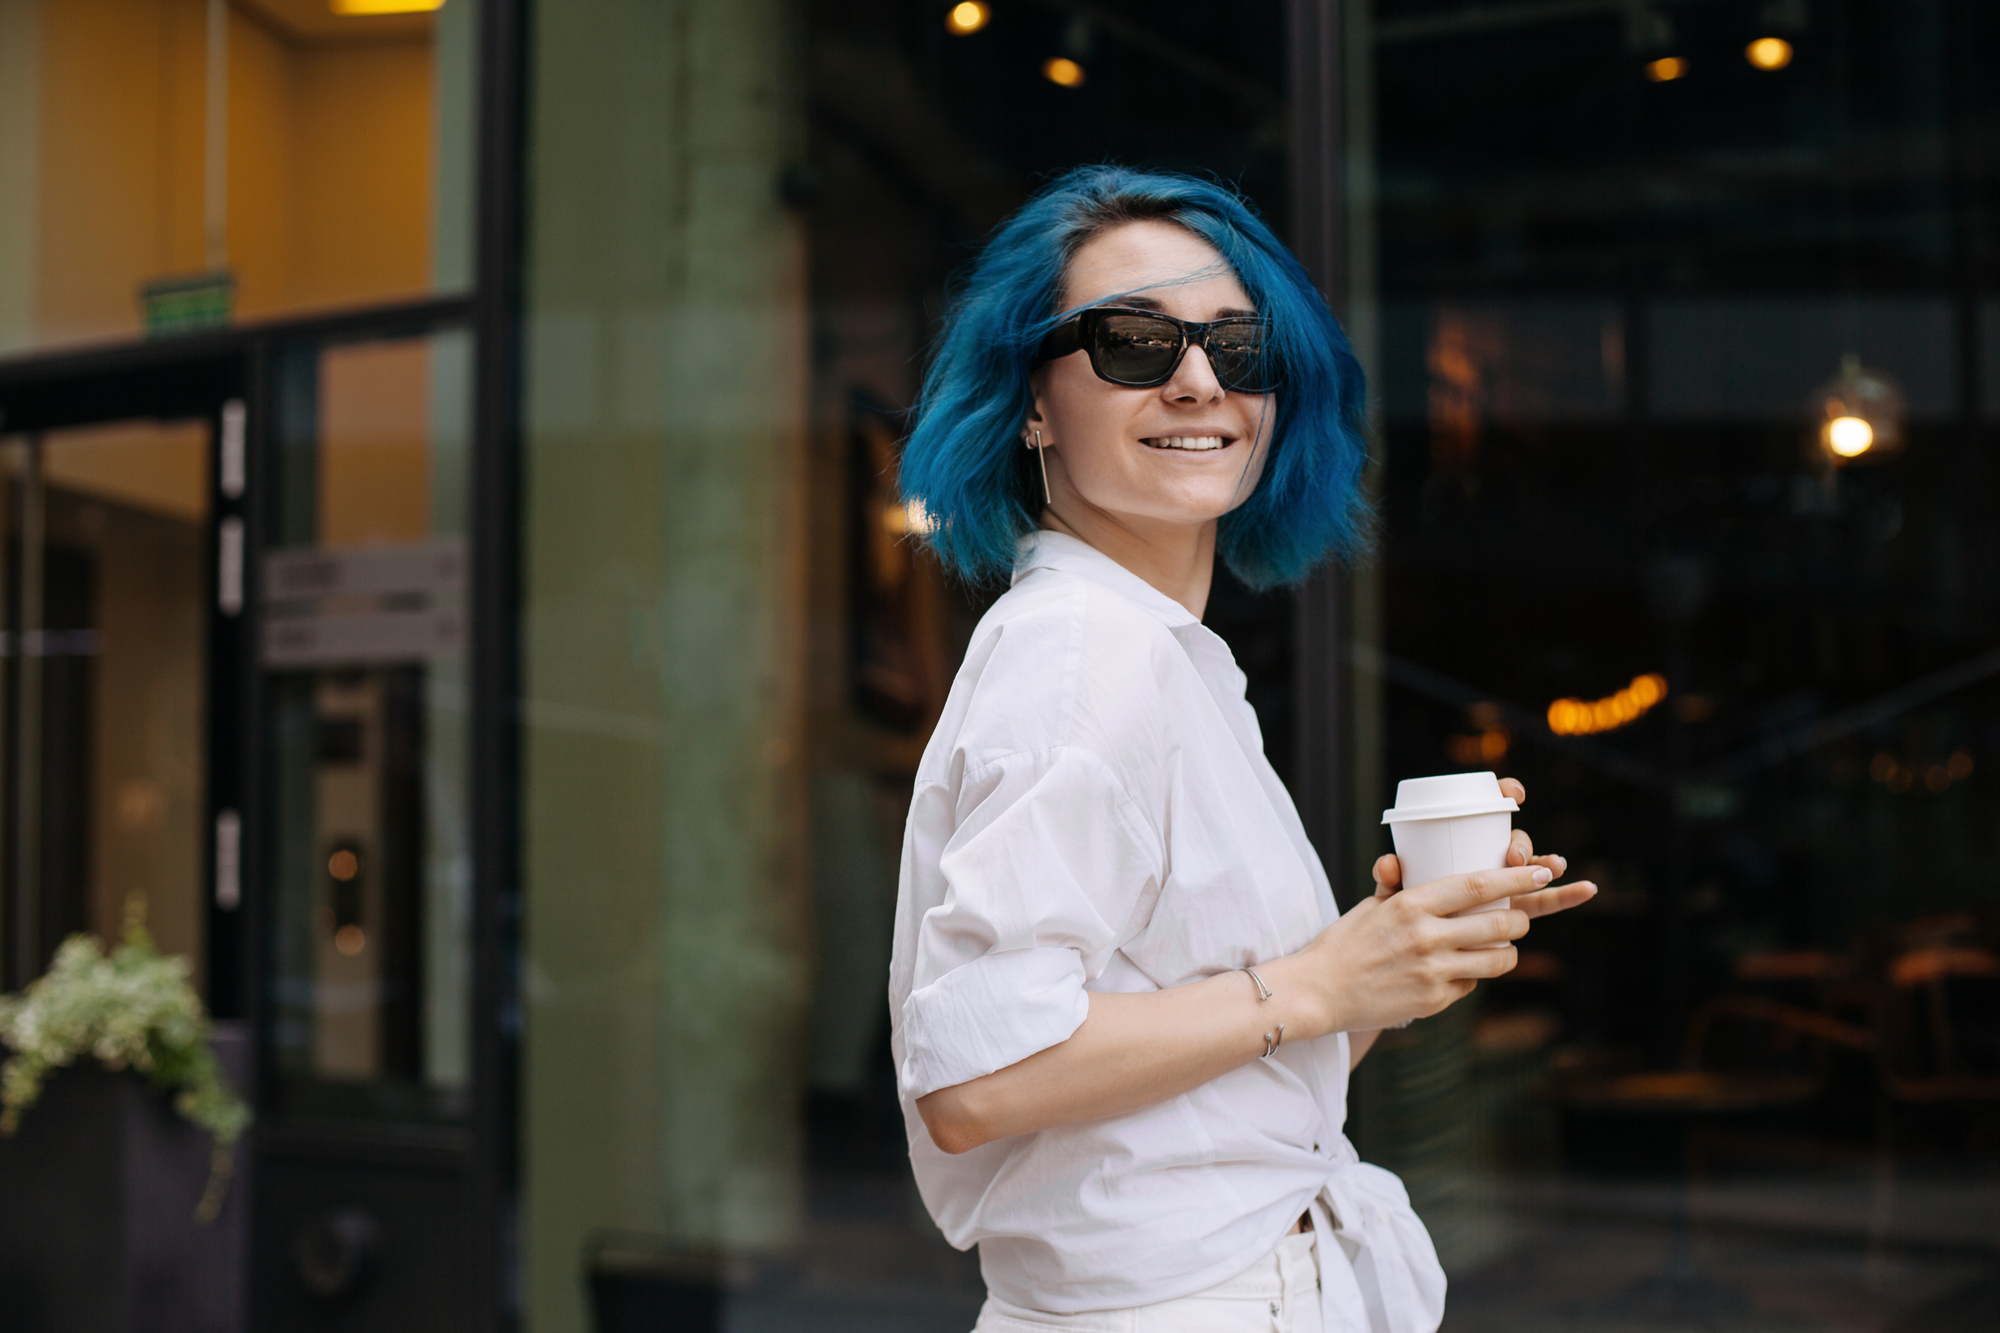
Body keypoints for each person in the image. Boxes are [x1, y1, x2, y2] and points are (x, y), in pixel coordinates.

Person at [889, 166, 1596, 1333]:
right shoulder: (1081, 657)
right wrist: (1316, 979)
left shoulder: (1158, 654)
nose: (1199, 379)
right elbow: (977, 1079)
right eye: (1129, 342)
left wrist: (1387, 961)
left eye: (1239, 344)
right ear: (1028, 402)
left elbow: (1210, 1095)